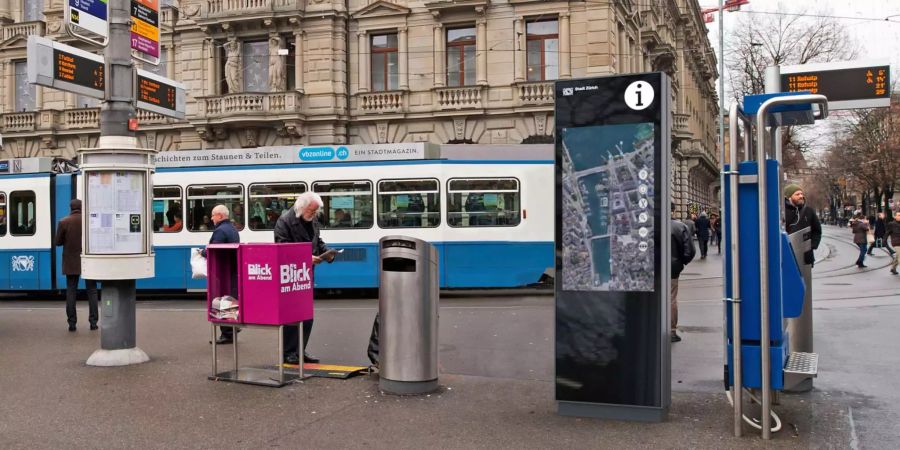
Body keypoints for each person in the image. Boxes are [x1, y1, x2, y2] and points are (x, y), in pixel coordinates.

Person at [274, 192, 336, 364]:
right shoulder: (284, 221)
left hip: (306, 274)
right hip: (291, 275)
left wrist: (327, 252)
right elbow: (282, 247)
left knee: (306, 315)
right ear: (302, 207)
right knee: (291, 315)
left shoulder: (312, 219)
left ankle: (300, 350)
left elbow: (317, 240)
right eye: (311, 211)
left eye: (316, 211)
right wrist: (305, 258)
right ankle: (288, 353)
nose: (314, 214)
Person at [55, 199, 98, 332]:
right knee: (92, 291)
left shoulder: (63, 222)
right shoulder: (89, 221)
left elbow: (58, 242)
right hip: (88, 260)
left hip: (71, 262)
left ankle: (72, 324)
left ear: (71, 208)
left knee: (71, 291)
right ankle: (93, 322)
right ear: (81, 207)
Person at [205, 205, 241, 344]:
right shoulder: (232, 228)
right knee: (229, 298)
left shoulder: (220, 231)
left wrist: (203, 253)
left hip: (222, 270)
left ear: (220, 215)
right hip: (231, 269)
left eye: (213, 215)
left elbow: (214, 251)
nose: (211, 218)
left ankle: (227, 333)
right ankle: (231, 330)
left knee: (221, 300)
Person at [671, 203, 696, 343]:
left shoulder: (649, 224)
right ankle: (671, 331)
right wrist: (681, 262)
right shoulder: (680, 226)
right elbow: (690, 251)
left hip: (651, 269)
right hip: (672, 268)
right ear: (673, 211)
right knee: (671, 298)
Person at [783, 184, 822, 267]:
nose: (801, 196)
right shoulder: (781, 211)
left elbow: (817, 231)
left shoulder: (809, 211)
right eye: (797, 194)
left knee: (805, 279)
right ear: (789, 197)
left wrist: (811, 246)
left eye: (801, 194)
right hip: (787, 254)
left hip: (806, 256)